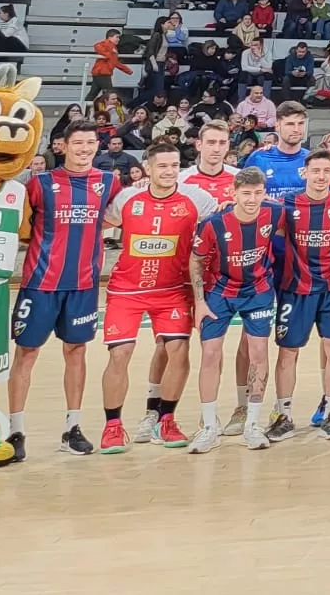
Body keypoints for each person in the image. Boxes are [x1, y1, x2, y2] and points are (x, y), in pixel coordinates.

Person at [8, 123, 120, 460]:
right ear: (63, 146)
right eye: (78, 143)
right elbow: (24, 229)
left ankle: (72, 428)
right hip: (41, 284)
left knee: (77, 351)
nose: (85, 149)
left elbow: (113, 216)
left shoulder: (108, 182)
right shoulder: (40, 184)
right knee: (26, 354)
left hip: (84, 283)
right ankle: (16, 431)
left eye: (91, 143)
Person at [99, 145, 217, 452]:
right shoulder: (126, 198)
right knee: (119, 354)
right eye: (162, 165)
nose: (169, 171)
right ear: (148, 169)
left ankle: (167, 419)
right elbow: (95, 225)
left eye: (174, 165)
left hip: (173, 290)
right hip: (128, 290)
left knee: (178, 349)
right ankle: (113, 426)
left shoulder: (197, 199)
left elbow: (226, 219)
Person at [187, 167, 277, 453]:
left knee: (259, 354)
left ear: (265, 192)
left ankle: (252, 423)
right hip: (219, 293)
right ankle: (210, 426)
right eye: (246, 193)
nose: (252, 199)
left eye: (257, 193)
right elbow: (196, 261)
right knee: (211, 354)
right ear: (233, 193)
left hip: (258, 292)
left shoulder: (275, 214)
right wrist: (199, 302)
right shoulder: (214, 224)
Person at [270, 149, 330, 441]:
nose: (320, 177)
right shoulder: (287, 203)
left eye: (326, 171)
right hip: (296, 289)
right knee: (288, 352)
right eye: (315, 171)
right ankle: (284, 415)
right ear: (304, 173)